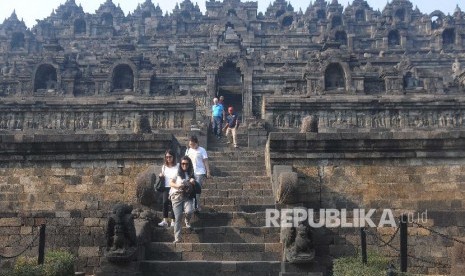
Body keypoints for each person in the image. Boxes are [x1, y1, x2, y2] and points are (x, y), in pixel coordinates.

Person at [169, 156, 196, 243]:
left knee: (189, 211)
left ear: (189, 164)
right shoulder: (177, 173)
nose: (184, 165)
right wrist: (178, 186)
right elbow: (171, 183)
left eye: (186, 164)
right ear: (180, 164)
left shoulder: (191, 173)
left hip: (187, 196)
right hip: (176, 196)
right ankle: (177, 238)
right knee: (178, 217)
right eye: (183, 163)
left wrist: (192, 181)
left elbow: (195, 184)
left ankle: (187, 220)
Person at [185, 135, 210, 212]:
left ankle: (196, 206)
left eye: (192, 144)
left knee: (197, 189)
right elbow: (185, 162)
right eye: (190, 145)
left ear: (196, 143)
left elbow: (205, 161)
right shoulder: (188, 151)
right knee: (190, 189)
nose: (191, 146)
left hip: (200, 172)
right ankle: (192, 206)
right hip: (190, 173)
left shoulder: (202, 150)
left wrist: (208, 171)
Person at [157, 149, 178, 227]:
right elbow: (162, 176)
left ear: (173, 157)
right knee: (165, 203)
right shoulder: (164, 167)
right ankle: (165, 220)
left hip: (174, 187)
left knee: (173, 203)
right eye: (167, 157)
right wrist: (160, 176)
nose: (168, 158)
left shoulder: (177, 166)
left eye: (170, 157)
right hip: (166, 187)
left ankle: (173, 221)